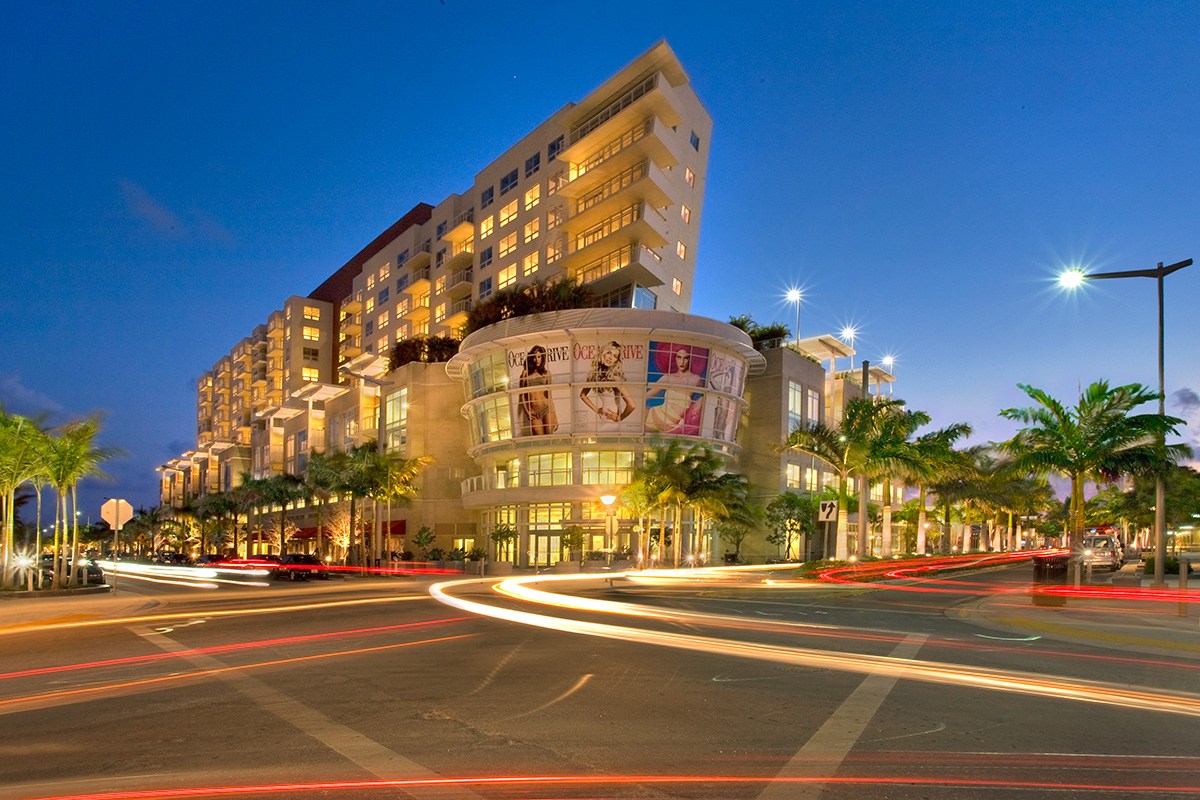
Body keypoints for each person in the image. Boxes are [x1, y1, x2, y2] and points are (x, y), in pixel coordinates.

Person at [645, 345, 705, 434]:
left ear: (691, 359)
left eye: (686, 358)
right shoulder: (667, 378)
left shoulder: (695, 380)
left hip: (671, 427)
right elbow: (649, 394)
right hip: (652, 417)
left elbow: (710, 393)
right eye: (679, 357)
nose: (682, 362)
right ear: (674, 359)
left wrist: (700, 400)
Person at [579, 341, 636, 428]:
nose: (610, 358)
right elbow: (583, 395)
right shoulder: (595, 375)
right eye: (609, 353)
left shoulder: (615, 378)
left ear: (616, 361)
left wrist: (619, 418)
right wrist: (597, 410)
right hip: (603, 419)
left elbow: (632, 405)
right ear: (603, 353)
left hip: (612, 422)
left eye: (615, 356)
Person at [518, 345, 558, 435]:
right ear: (531, 358)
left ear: (542, 357)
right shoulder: (525, 373)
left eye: (539, 357)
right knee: (539, 442)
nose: (537, 360)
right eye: (534, 357)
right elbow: (522, 396)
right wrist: (527, 411)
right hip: (534, 412)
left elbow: (550, 397)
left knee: (549, 440)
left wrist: (555, 416)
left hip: (547, 409)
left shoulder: (547, 374)